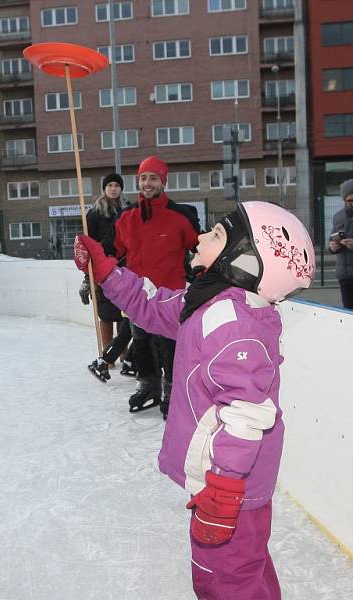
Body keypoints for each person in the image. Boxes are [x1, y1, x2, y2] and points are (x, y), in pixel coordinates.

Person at [74, 200, 315, 599]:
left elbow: (246, 414)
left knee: (224, 581)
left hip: (230, 488)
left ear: (246, 261)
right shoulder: (211, 303)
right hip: (228, 482)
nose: (200, 236)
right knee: (244, 572)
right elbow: (151, 307)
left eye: (217, 235)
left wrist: (223, 491)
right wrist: (106, 270)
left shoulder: (235, 324)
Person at [112, 156, 199, 418]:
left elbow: (201, 247)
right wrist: (89, 259)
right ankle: (148, 384)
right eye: (143, 178)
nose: (147, 183)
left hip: (169, 297)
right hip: (138, 295)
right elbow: (111, 252)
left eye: (153, 178)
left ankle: (173, 389)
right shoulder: (126, 217)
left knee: (169, 345)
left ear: (163, 181)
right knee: (141, 342)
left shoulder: (180, 216)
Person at [86, 172, 125, 360]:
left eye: (116, 185)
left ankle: (125, 354)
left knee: (125, 312)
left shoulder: (127, 211)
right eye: (109, 185)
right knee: (107, 313)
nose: (113, 188)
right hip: (103, 269)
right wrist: (88, 277)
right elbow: (88, 245)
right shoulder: (94, 214)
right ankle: (108, 354)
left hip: (124, 267)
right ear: (104, 189)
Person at [328, 177, 353, 308]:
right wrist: (333, 246)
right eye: (350, 200)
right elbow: (331, 240)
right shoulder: (338, 216)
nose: (352, 203)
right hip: (344, 274)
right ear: (344, 200)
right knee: (348, 311)